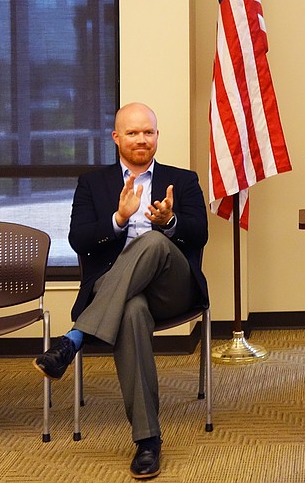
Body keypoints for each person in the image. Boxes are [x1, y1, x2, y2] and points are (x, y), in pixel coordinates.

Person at [33, 102, 209, 480]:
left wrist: (169, 221)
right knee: (131, 312)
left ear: (157, 136)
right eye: (132, 133)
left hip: (171, 289)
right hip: (121, 296)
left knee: (155, 243)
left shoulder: (185, 179)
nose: (142, 139)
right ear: (116, 138)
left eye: (148, 132)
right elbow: (79, 239)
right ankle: (148, 441)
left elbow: (200, 234)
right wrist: (118, 219)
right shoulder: (92, 183)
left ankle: (75, 337)